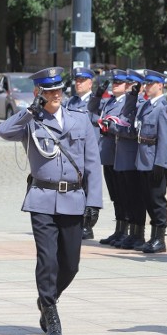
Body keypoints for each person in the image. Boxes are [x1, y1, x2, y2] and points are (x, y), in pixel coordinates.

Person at [0, 67, 103, 335]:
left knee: (71, 264)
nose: (56, 95)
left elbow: (92, 163)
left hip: (73, 199)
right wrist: (29, 111)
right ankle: (52, 313)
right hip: (42, 198)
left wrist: (94, 202)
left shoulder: (80, 120)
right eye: (49, 91)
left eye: (58, 90)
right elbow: (4, 131)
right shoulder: (31, 120)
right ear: (38, 93)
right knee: (47, 260)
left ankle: (47, 299)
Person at [134, 69, 167, 253]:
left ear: (160, 85)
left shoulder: (163, 106)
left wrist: (160, 161)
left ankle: (159, 239)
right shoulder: (146, 106)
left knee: (157, 201)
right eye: (146, 83)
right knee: (147, 199)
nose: (147, 87)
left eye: (151, 84)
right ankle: (153, 237)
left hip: (156, 161)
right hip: (143, 159)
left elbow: (166, 137)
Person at [66, 66, 108, 240]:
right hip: (72, 151)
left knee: (88, 185)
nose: (78, 84)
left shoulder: (97, 102)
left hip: (89, 150)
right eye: (77, 80)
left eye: (82, 81)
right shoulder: (71, 102)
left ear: (90, 83)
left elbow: (98, 121)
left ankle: (87, 224)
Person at [110, 70, 147, 250]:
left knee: (135, 198)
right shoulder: (128, 103)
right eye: (128, 83)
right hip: (122, 156)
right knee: (124, 196)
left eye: (133, 84)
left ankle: (137, 234)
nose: (129, 86)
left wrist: (115, 128)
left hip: (132, 157)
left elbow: (134, 130)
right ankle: (129, 232)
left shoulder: (140, 104)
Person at [97, 69, 131, 246]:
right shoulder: (109, 101)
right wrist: (97, 94)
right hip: (108, 153)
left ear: (126, 86)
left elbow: (121, 123)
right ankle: (118, 229)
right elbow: (93, 113)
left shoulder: (125, 102)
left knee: (123, 193)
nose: (114, 85)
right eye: (114, 82)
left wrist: (108, 125)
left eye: (118, 83)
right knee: (115, 194)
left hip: (119, 153)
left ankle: (125, 230)